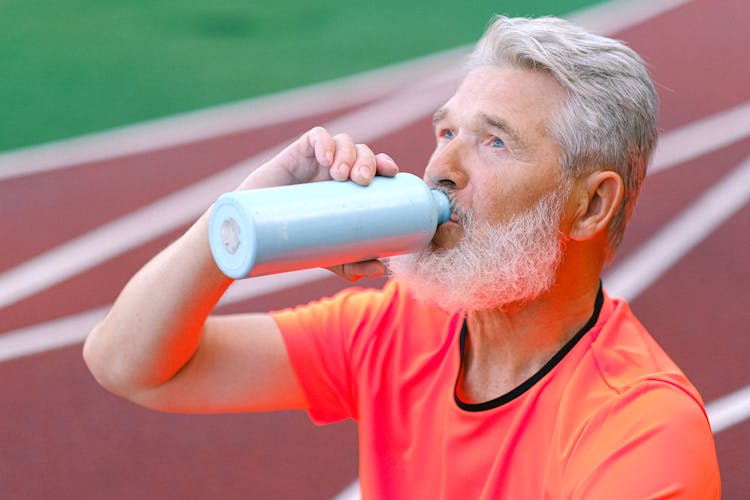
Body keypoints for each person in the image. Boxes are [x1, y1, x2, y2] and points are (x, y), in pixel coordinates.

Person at [83, 15, 721, 499]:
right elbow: (132, 366)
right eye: (446, 132)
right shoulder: (398, 328)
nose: (440, 168)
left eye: (495, 142)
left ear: (588, 207)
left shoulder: (642, 432)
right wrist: (239, 214)